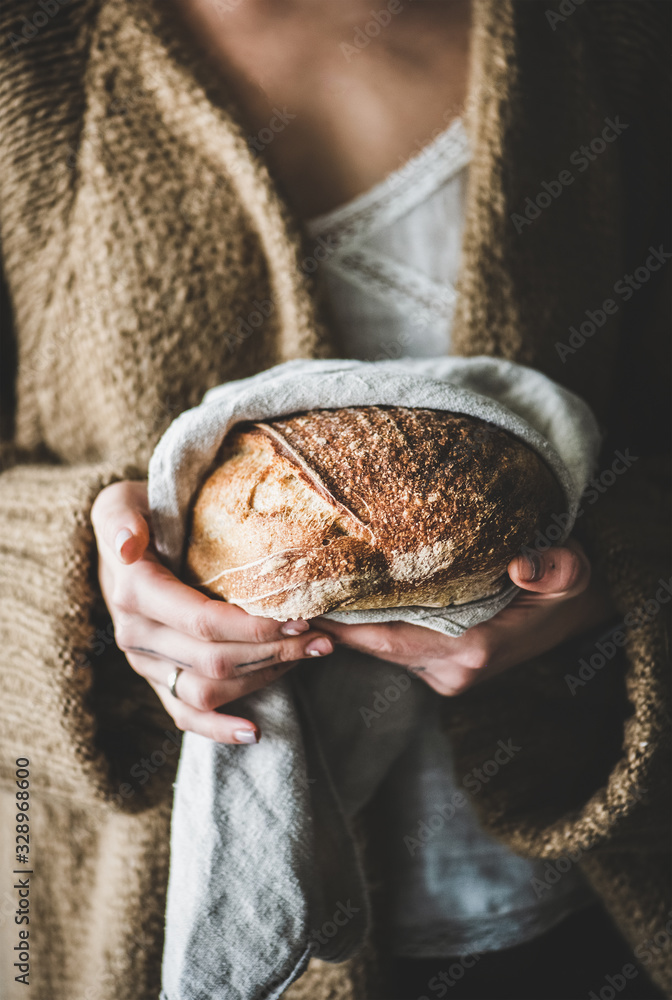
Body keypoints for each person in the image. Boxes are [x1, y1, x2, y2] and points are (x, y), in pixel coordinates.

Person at [0, 1, 669, 998]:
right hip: (144, 907)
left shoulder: (610, 37)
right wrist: (75, 591)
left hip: (568, 898)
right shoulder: (30, 62)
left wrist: (627, 571)